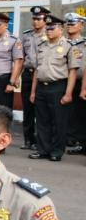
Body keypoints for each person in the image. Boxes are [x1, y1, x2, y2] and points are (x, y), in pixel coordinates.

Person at [29, 14, 81, 162]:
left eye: (52, 28)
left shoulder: (69, 46)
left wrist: (68, 93)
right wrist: (33, 91)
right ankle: (43, 149)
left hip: (58, 87)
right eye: (48, 28)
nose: (49, 31)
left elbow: (72, 71)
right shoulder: (42, 46)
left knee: (59, 121)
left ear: (61, 29)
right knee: (42, 121)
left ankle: (57, 151)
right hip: (41, 87)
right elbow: (37, 70)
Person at [18, 6, 49, 151]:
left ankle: (40, 140)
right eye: (34, 18)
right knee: (28, 108)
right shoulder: (26, 35)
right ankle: (28, 139)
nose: (35, 21)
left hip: (42, 74)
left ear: (45, 20)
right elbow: (21, 57)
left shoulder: (49, 34)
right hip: (28, 74)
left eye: (39, 19)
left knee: (41, 110)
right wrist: (16, 77)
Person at [68, 13, 86, 154]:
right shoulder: (62, 42)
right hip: (64, 81)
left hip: (80, 82)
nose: (69, 26)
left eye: (73, 24)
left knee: (80, 113)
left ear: (81, 26)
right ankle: (68, 138)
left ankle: (80, 141)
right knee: (66, 113)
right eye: (68, 24)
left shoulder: (84, 44)